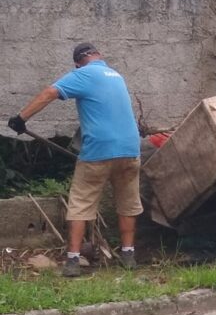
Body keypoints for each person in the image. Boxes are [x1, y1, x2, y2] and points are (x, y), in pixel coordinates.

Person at [8, 43, 143, 277]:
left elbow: (50, 92)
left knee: (80, 204)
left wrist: (21, 118)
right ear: (98, 57)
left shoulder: (83, 74)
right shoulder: (116, 75)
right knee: (128, 203)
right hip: (130, 150)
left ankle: (72, 261)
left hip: (99, 150)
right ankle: (129, 255)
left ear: (78, 62)